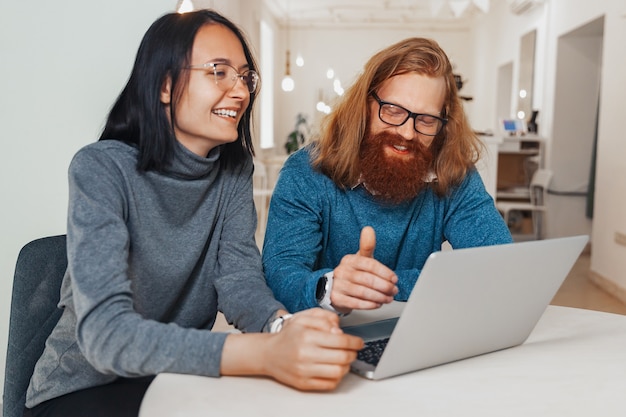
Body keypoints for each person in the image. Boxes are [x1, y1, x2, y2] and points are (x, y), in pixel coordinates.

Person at [24, 10, 363, 417]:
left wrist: (283, 328)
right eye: (219, 72)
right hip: (80, 389)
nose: (240, 91)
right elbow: (106, 337)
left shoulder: (233, 171)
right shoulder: (101, 168)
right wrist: (263, 353)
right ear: (165, 85)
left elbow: (238, 281)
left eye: (245, 77)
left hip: (174, 375)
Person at [262, 37, 513, 316]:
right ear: (365, 105)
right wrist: (331, 287)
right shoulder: (306, 171)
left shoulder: (453, 175)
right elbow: (281, 276)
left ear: (443, 124)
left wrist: (372, 287)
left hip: (420, 336)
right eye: (393, 110)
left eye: (427, 120)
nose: (407, 133)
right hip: (326, 339)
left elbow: (497, 267)